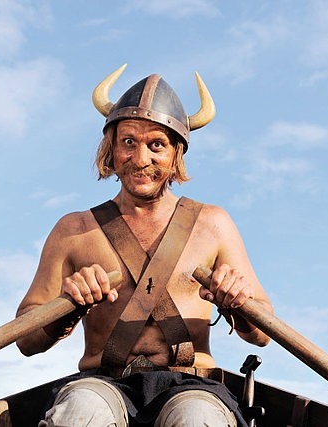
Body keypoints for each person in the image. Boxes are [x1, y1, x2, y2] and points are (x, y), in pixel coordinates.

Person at [16, 64, 273, 427]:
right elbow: (26, 341)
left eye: (156, 145)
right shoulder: (73, 229)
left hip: (192, 386)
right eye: (128, 142)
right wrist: (68, 309)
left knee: (198, 419)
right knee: (78, 414)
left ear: (176, 153)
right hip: (101, 385)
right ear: (111, 147)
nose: (140, 159)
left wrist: (238, 305)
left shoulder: (213, 224)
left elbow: (262, 334)